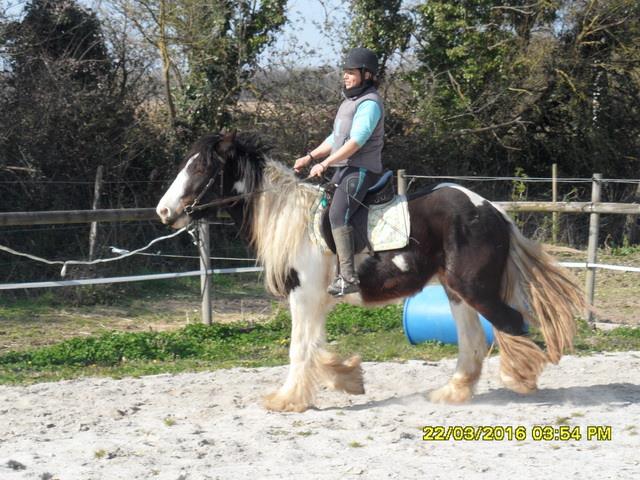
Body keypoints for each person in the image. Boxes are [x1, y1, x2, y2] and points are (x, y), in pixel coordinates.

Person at [294, 47, 384, 297]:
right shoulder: (349, 103)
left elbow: (356, 141)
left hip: (362, 169)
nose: (345, 76)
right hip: (345, 168)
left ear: (367, 75)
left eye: (350, 72)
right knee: (322, 207)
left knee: (337, 213)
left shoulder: (370, 103)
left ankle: (348, 277)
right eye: (344, 72)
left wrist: (325, 164)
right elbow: (336, 137)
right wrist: (311, 157)